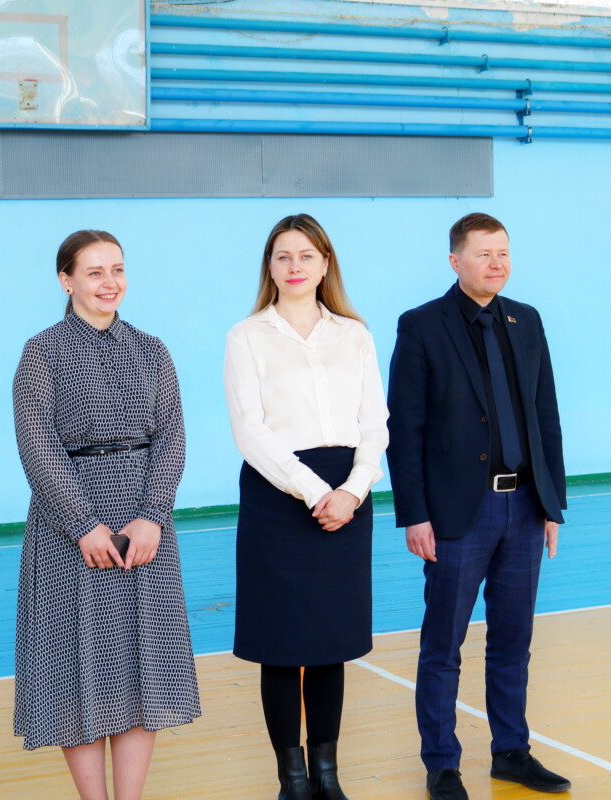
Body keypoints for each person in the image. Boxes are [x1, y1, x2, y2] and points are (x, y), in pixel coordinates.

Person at [12, 230, 200, 800]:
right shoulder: (42, 352)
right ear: (66, 280)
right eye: (94, 272)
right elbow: (37, 445)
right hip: (68, 531)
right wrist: (84, 525)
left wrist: (152, 516)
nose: (109, 282)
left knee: (143, 668)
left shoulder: (152, 350)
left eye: (116, 269)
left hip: (145, 530)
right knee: (75, 668)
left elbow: (172, 438)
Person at [386, 213, 569, 800]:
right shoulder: (421, 326)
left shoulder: (526, 320)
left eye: (503, 253)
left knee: (513, 641)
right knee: (444, 646)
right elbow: (404, 428)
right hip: (457, 513)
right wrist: (414, 514)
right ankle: (442, 764)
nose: (496, 263)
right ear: (455, 261)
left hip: (525, 506)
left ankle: (511, 752)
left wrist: (553, 504)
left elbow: (545, 416)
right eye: (484, 253)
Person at [224, 214, 389, 800]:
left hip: (349, 497)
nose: (295, 266)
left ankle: (327, 775)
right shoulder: (246, 336)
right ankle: (292, 780)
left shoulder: (354, 335)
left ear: (325, 264)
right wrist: (317, 492)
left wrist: (353, 490)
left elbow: (375, 423)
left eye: (306, 255)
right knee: (280, 646)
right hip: (278, 498)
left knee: (328, 645)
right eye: (283, 256)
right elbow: (250, 430)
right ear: (269, 268)